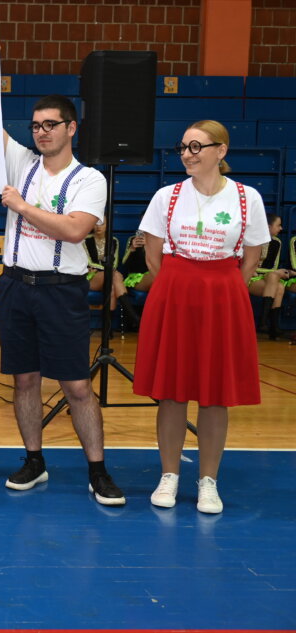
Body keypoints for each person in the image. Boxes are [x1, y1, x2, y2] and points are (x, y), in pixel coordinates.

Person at [135, 120, 269, 514]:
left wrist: (220, 290)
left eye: (196, 147)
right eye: (183, 147)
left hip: (222, 297)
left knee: (215, 394)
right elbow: (153, 257)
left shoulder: (247, 197)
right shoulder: (166, 196)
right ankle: (169, 475)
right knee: (172, 391)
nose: (187, 154)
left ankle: (208, 481)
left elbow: (251, 258)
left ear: (220, 151)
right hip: (174, 295)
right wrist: (182, 286)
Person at [0, 94, 125, 506]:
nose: (42, 132)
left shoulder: (90, 179)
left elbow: (73, 230)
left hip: (61, 291)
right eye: (36, 125)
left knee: (77, 386)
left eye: (50, 124)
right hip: (16, 286)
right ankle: (34, 460)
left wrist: (21, 205)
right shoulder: (21, 163)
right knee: (24, 380)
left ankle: (98, 470)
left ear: (71, 128)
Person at [84, 223, 140, 329]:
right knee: (115, 276)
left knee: (113, 286)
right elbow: (89, 262)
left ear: (107, 225)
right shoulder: (86, 240)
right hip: (91, 276)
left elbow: (114, 264)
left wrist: (107, 269)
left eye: (102, 224)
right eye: (96, 224)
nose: (98, 227)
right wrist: (106, 268)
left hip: (109, 276)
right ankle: (132, 316)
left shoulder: (113, 240)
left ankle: (108, 327)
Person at [247, 213, 289, 339]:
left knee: (277, 282)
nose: (281, 228)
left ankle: (267, 325)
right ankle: (269, 325)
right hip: (250, 277)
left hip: (265, 277)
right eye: (278, 225)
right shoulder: (252, 240)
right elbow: (248, 264)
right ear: (268, 226)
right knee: (277, 282)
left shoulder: (277, 242)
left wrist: (274, 272)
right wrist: (270, 272)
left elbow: (273, 267)